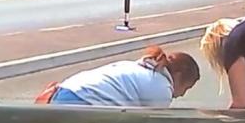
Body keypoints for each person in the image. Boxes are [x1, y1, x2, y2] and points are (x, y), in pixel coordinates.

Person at [40, 45, 200, 107]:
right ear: (178, 75)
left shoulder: (139, 68)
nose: (182, 94)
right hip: (83, 103)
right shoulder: (161, 88)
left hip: (66, 92)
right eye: (186, 87)